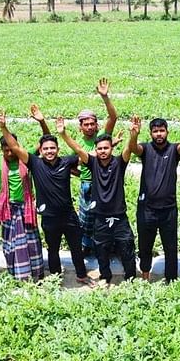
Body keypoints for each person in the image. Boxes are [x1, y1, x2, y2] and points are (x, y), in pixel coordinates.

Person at [0, 111, 95, 287]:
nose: (49, 151)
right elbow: (15, 147)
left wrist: (63, 134)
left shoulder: (67, 161)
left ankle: (81, 275)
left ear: (57, 149)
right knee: (53, 250)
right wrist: (4, 128)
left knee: (76, 248)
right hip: (49, 217)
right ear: (40, 151)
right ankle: (56, 278)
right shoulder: (35, 163)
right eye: (46, 149)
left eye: (52, 148)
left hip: (69, 215)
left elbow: (83, 153)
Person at [57, 115, 137, 284]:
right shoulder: (93, 164)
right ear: (96, 150)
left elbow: (129, 149)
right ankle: (105, 277)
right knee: (101, 249)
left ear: (111, 149)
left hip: (119, 216)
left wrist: (133, 135)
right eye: (99, 149)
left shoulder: (119, 163)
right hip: (100, 216)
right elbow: (78, 149)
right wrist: (63, 134)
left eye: (105, 148)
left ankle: (131, 278)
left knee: (127, 246)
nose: (102, 151)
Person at [130, 111, 180, 282]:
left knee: (170, 247)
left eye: (162, 130)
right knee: (145, 245)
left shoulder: (173, 150)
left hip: (168, 210)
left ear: (167, 132)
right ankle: (144, 276)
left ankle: (171, 280)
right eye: (155, 131)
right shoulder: (146, 149)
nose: (159, 134)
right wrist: (133, 135)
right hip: (146, 209)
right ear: (150, 133)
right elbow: (134, 148)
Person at [0, 130, 44, 282]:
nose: (9, 153)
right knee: (11, 243)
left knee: (31, 241)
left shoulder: (25, 157)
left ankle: (36, 273)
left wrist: (41, 122)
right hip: (8, 209)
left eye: (12, 149)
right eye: (6, 149)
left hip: (26, 208)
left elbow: (44, 142)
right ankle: (16, 273)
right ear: (2, 149)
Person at [75, 78, 119, 255]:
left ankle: (108, 244)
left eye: (92, 123)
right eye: (86, 124)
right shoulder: (78, 144)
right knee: (87, 216)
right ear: (81, 127)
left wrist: (105, 97)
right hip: (88, 184)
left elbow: (113, 117)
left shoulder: (102, 138)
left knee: (107, 213)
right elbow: (70, 164)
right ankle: (86, 245)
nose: (90, 127)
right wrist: (81, 174)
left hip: (105, 182)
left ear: (97, 125)